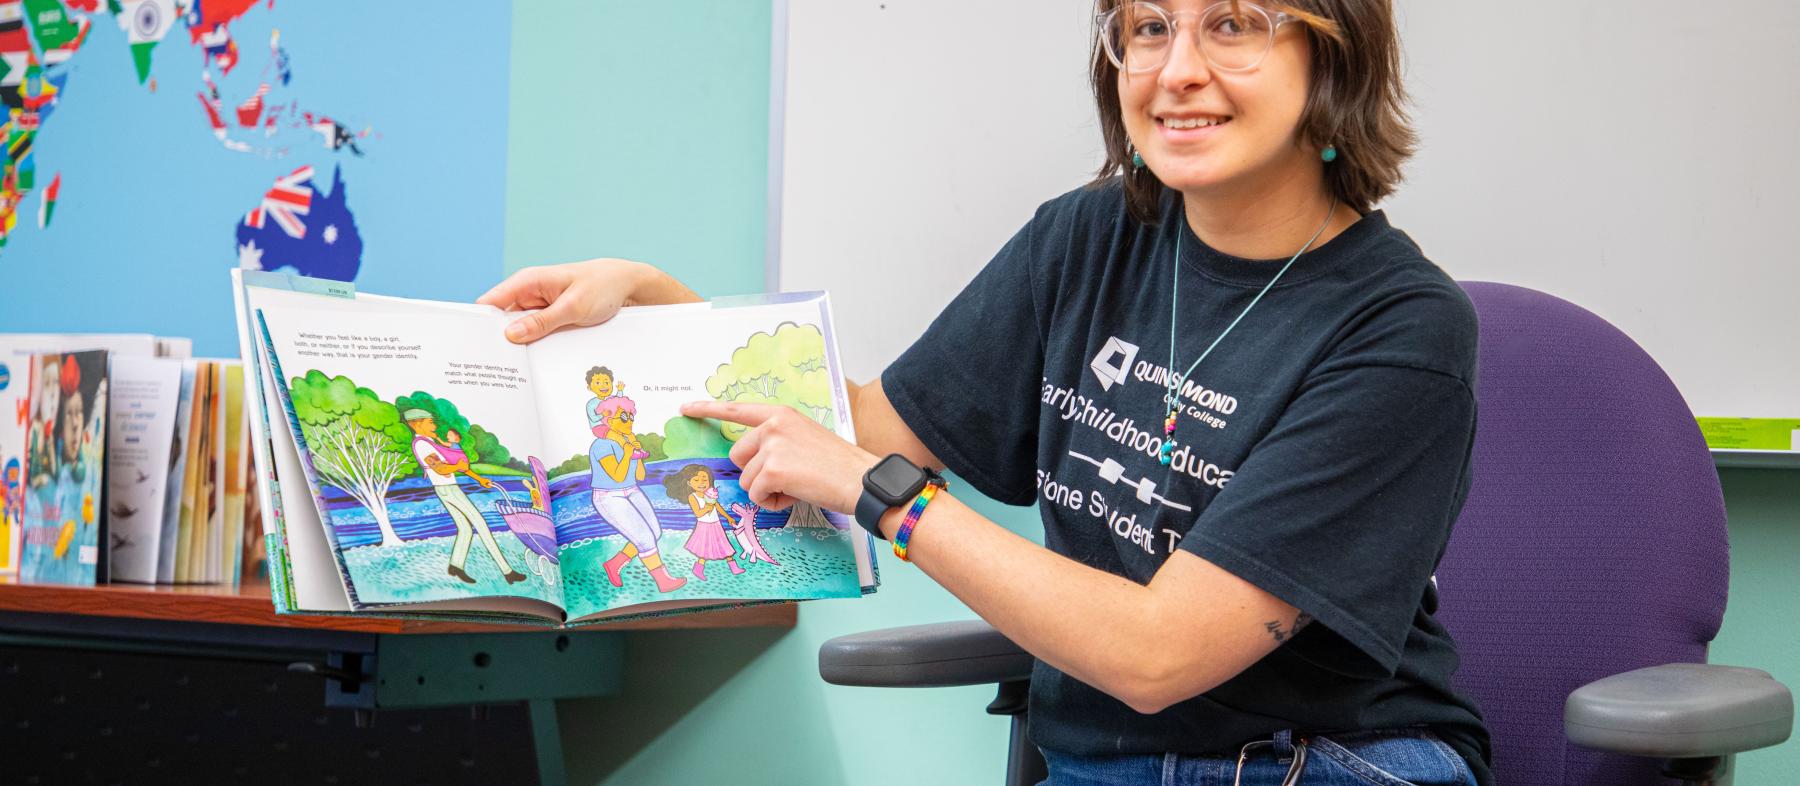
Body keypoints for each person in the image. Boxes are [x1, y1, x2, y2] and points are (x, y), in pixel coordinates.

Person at [478, 2, 1490, 783]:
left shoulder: (1403, 331)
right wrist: (649, 301)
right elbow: (856, 432)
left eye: (1233, 24)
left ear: (1333, 51)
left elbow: (1156, 655)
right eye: (1146, 26)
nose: (1179, 71)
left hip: (1324, 758)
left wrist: (888, 499)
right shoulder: (1087, 239)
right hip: (1100, 762)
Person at [404, 409, 526, 585]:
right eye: (430, 422)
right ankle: (507, 572)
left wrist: (480, 479)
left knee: (465, 528)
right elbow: (440, 468)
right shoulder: (422, 444)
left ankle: (456, 565)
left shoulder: (431, 442)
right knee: (481, 525)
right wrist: (456, 467)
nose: (434, 425)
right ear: (418, 423)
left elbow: (458, 466)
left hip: (447, 488)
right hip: (447, 489)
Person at [589, 395, 687, 593]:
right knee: (644, 539)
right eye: (623, 417)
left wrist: (637, 453)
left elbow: (640, 475)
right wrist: (626, 453)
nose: (629, 421)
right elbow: (616, 476)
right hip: (609, 496)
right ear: (607, 418)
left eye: (631, 417)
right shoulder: (600, 446)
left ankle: (614, 564)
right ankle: (663, 580)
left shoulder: (628, 442)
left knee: (655, 533)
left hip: (632, 489)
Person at [663, 463, 744, 580]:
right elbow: (698, 513)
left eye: (704, 479)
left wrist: (728, 517)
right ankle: (698, 569)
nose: (701, 483)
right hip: (704, 526)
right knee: (704, 550)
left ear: (709, 481)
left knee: (725, 545)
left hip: (716, 524)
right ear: (689, 483)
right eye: (696, 480)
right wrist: (706, 507)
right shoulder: (693, 496)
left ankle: (734, 567)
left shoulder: (709, 493)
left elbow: (718, 506)